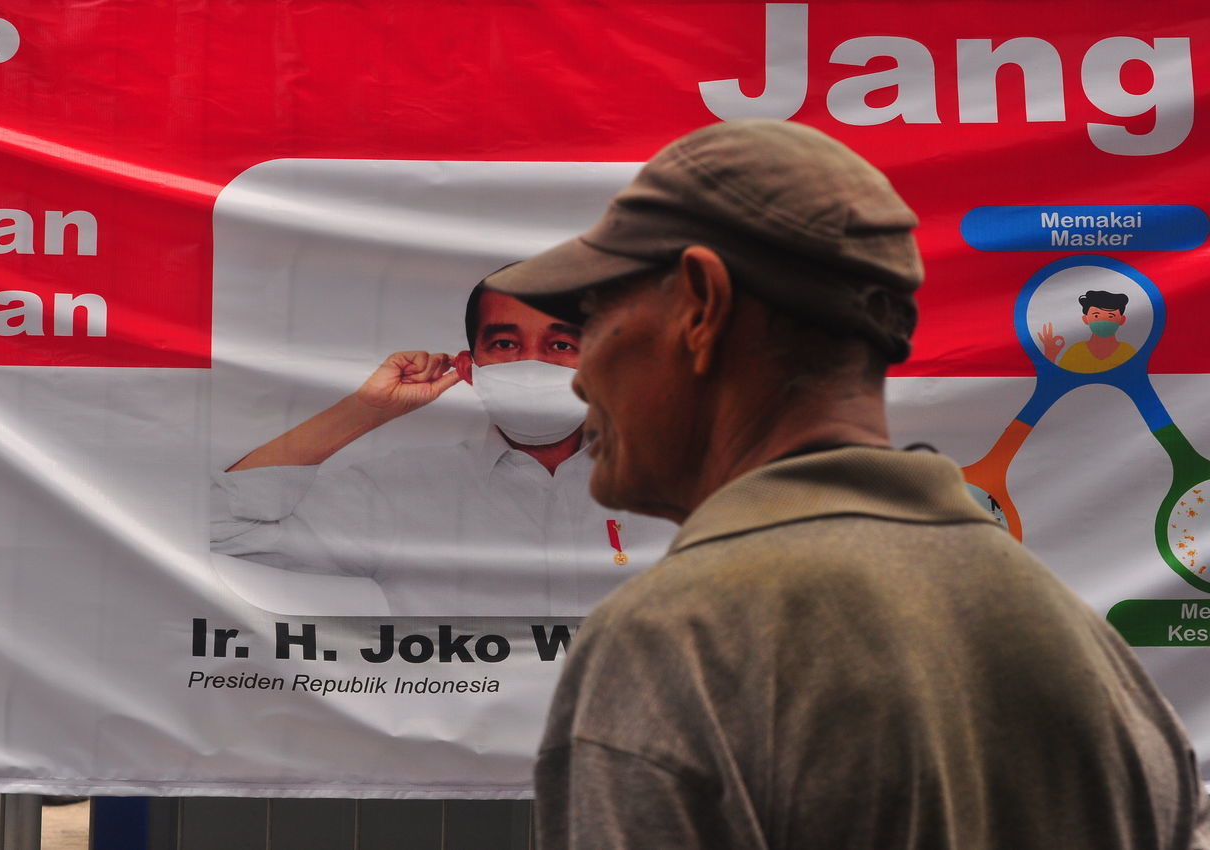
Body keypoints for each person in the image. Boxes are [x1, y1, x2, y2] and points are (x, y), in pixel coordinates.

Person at [485, 120, 1210, 849]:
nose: (576, 374)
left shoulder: (675, 644)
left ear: (702, 306)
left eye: (592, 315)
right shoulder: (1097, 663)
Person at [210, 283, 675, 616]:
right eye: (506, 343)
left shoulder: (682, 490)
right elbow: (220, 528)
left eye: (560, 343)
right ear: (470, 369)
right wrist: (366, 410)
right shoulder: (397, 490)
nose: (532, 364)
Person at [1037, 289, 1137, 373]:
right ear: (1085, 319)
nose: (1103, 320)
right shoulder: (1075, 352)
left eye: (1111, 316)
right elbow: (1059, 380)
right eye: (1096, 316)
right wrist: (1051, 354)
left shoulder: (1128, 352)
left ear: (1122, 320)